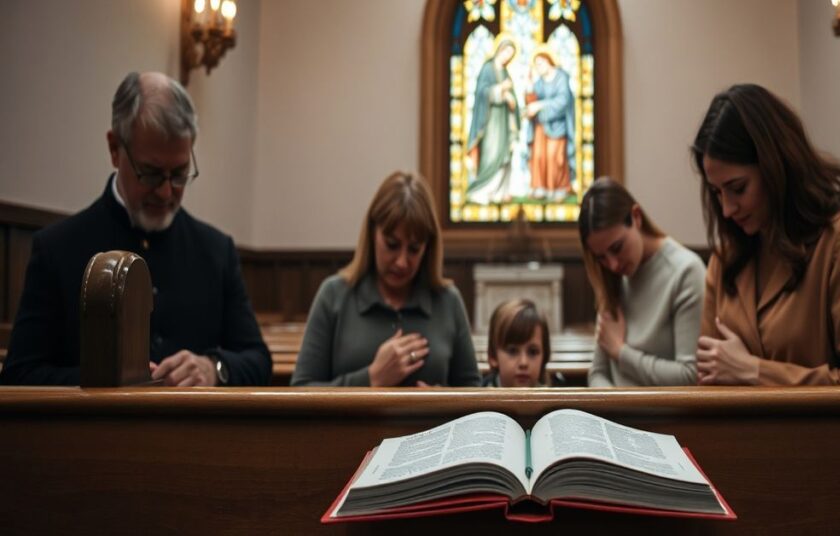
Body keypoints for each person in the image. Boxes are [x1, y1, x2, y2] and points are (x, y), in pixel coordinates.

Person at [0, 72, 271, 386]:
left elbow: (257, 358)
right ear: (115, 149)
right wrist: (107, 381)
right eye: (151, 174)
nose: (167, 192)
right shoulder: (57, 248)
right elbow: (19, 375)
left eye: (180, 173)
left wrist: (214, 367)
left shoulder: (216, 250)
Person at [691, 83, 840, 385]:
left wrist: (754, 371)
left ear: (777, 167)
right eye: (717, 193)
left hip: (820, 434)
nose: (727, 209)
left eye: (738, 189)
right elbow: (707, 375)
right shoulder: (726, 257)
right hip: (734, 432)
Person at [291, 172, 480, 387]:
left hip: (434, 423)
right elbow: (301, 389)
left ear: (428, 248)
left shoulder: (448, 301)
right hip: (353, 423)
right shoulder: (334, 294)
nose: (401, 262)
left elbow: (473, 392)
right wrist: (371, 379)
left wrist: (440, 401)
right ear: (372, 233)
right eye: (392, 244)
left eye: (414, 249)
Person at [579, 177, 705, 387]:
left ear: (636, 217)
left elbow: (689, 376)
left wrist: (620, 352)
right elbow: (598, 373)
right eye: (601, 257)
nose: (612, 265)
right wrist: (612, 409)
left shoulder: (686, 272)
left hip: (666, 418)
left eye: (617, 248)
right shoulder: (611, 278)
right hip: (613, 415)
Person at [465, 37, 519, 205]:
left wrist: (511, 101)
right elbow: (482, 93)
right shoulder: (487, 69)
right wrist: (500, 90)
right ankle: (482, 190)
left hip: (504, 121)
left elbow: (512, 97)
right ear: (499, 50)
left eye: (511, 54)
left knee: (504, 155)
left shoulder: (505, 72)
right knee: (491, 153)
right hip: (490, 122)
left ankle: (501, 192)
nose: (507, 57)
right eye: (506, 52)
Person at [525, 48, 575, 202]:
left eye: (540, 64)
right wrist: (529, 87)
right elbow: (531, 103)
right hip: (541, 127)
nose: (538, 68)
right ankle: (540, 187)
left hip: (557, 126)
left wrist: (540, 106)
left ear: (548, 61)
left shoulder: (561, 77)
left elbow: (563, 101)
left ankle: (559, 188)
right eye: (536, 65)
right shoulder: (539, 82)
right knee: (539, 156)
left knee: (555, 157)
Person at [480, 299, 550, 387]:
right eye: (512, 351)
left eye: (532, 352)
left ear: (544, 357)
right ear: (493, 355)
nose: (523, 362)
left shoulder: (554, 399)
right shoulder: (476, 399)